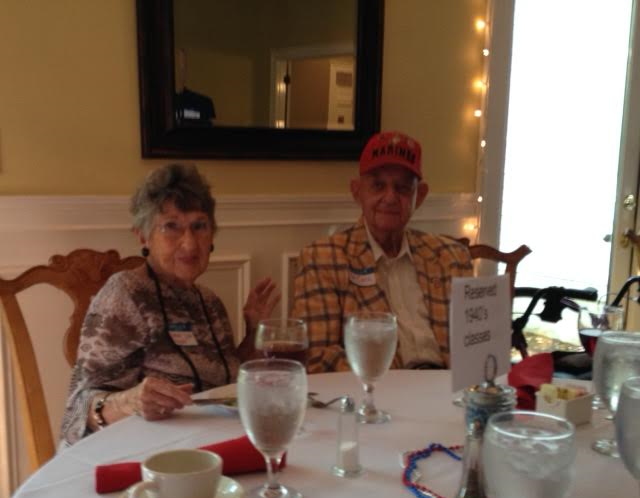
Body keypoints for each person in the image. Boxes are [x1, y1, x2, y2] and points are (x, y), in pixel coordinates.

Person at [60, 163, 279, 447]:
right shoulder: (127, 294)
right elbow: (77, 411)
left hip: (200, 445)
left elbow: (224, 386)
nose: (189, 244)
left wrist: (253, 332)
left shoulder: (209, 303)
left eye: (199, 226)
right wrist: (131, 401)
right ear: (144, 235)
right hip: (135, 454)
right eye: (171, 227)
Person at [292, 130, 473, 373]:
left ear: (419, 196)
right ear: (357, 191)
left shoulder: (452, 257)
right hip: (376, 390)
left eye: (402, 188)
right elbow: (318, 358)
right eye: (378, 186)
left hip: (447, 388)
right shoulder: (323, 259)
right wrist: (387, 379)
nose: (390, 197)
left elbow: (474, 345)